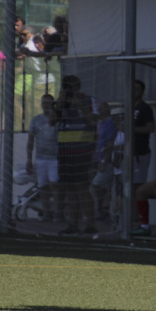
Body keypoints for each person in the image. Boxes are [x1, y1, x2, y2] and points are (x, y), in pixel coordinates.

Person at [56, 75, 97, 235]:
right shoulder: (61, 102)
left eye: (71, 86)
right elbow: (52, 120)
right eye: (65, 86)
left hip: (82, 149)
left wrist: (80, 106)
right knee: (69, 188)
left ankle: (90, 224)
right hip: (65, 150)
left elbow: (94, 121)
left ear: (78, 86)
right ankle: (73, 224)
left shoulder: (89, 100)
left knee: (82, 187)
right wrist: (59, 105)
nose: (68, 89)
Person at [27, 94, 59, 222]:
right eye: (43, 102)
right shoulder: (36, 120)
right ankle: (46, 212)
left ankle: (57, 212)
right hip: (41, 158)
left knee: (55, 185)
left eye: (48, 103)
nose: (45, 105)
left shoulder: (57, 119)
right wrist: (29, 159)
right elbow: (30, 140)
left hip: (55, 158)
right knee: (43, 186)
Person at [130, 79, 156, 194]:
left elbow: (150, 128)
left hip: (140, 152)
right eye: (133, 89)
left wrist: (131, 130)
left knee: (138, 186)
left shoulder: (144, 108)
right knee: (127, 186)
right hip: (127, 153)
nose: (135, 91)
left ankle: (138, 211)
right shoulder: (128, 107)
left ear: (142, 91)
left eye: (137, 89)